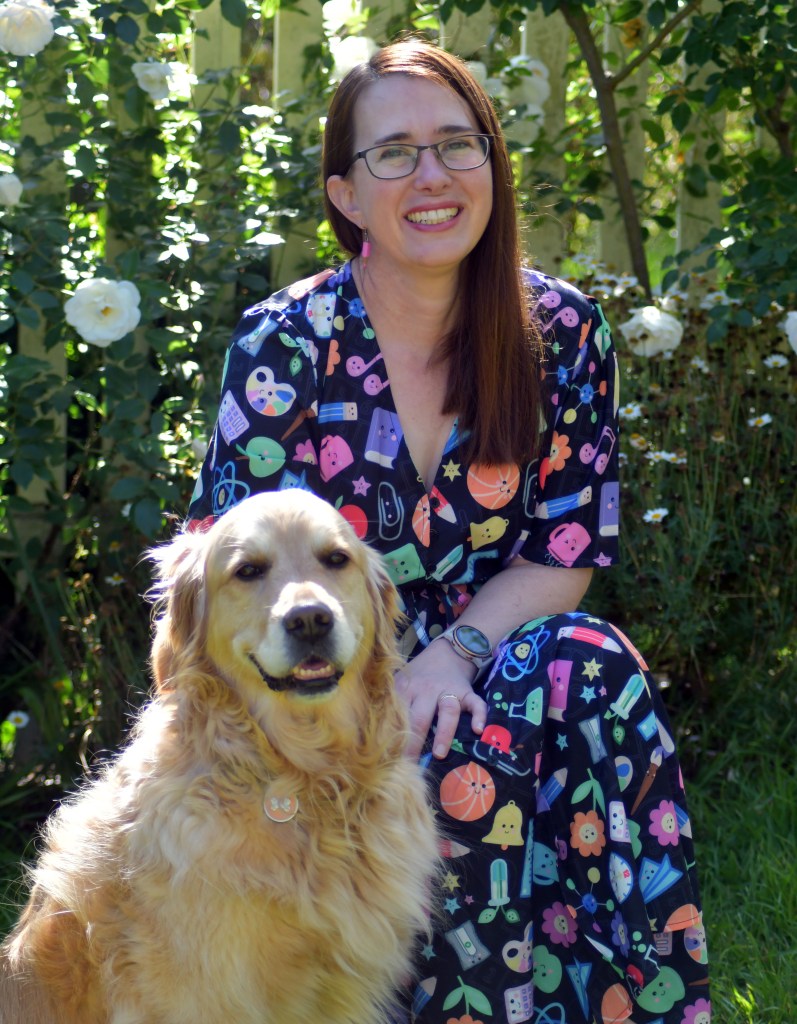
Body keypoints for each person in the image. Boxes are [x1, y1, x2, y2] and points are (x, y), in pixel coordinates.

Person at [186, 38, 710, 1024]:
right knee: (449, 756)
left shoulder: (558, 332)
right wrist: (384, 674)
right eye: (393, 153)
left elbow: (560, 552)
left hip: (486, 645)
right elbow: (236, 570)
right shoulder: (282, 345)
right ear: (345, 194)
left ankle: (624, 1004)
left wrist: (456, 654)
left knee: (588, 667)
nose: (430, 175)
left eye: (454, 144)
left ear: (489, 164)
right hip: (318, 675)